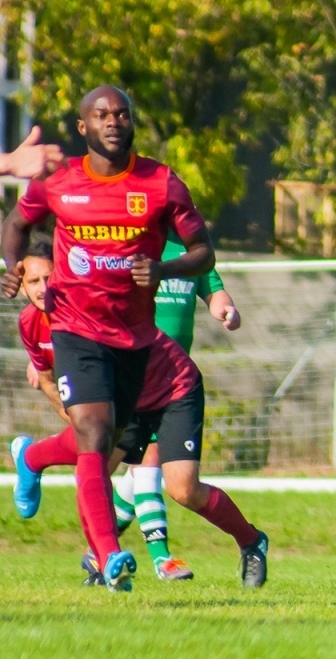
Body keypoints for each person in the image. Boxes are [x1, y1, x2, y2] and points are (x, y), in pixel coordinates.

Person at [2, 85, 219, 593]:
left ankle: (31, 457)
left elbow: (203, 252)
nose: (113, 121)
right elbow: (15, 224)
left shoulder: (162, 184)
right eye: (101, 115)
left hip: (137, 338)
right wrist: (12, 269)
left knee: (110, 441)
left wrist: (163, 267)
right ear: (83, 127)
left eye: (122, 113)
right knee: (95, 436)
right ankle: (110, 556)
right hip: (75, 328)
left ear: (133, 122)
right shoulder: (59, 181)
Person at [10, 247, 268, 587]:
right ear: (22, 286)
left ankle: (251, 541)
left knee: (183, 489)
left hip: (173, 389)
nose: (43, 287)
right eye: (34, 281)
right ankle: (105, 561)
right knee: (93, 468)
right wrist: (78, 422)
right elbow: (45, 378)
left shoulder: (91, 309)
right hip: (128, 399)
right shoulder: (30, 323)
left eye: (49, 277)